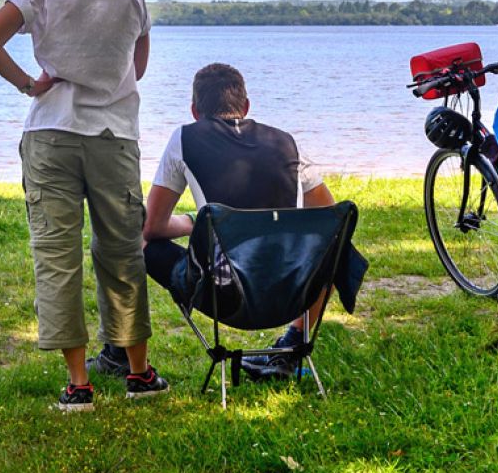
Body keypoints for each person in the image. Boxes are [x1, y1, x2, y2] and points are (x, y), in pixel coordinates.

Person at [0, 0, 167, 412]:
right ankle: (139, 373)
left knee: (58, 257)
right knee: (122, 254)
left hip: (51, 135)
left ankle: (79, 384)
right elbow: (138, 66)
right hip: (113, 136)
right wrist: (109, 84)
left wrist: (28, 85)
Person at [93, 62, 366, 381]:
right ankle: (292, 344)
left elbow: (151, 227)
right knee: (337, 245)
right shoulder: (286, 142)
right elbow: (329, 216)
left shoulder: (185, 138)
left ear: (195, 110)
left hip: (226, 296)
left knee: (133, 240)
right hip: (293, 291)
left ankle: (119, 352)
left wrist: (194, 222)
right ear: (246, 107)